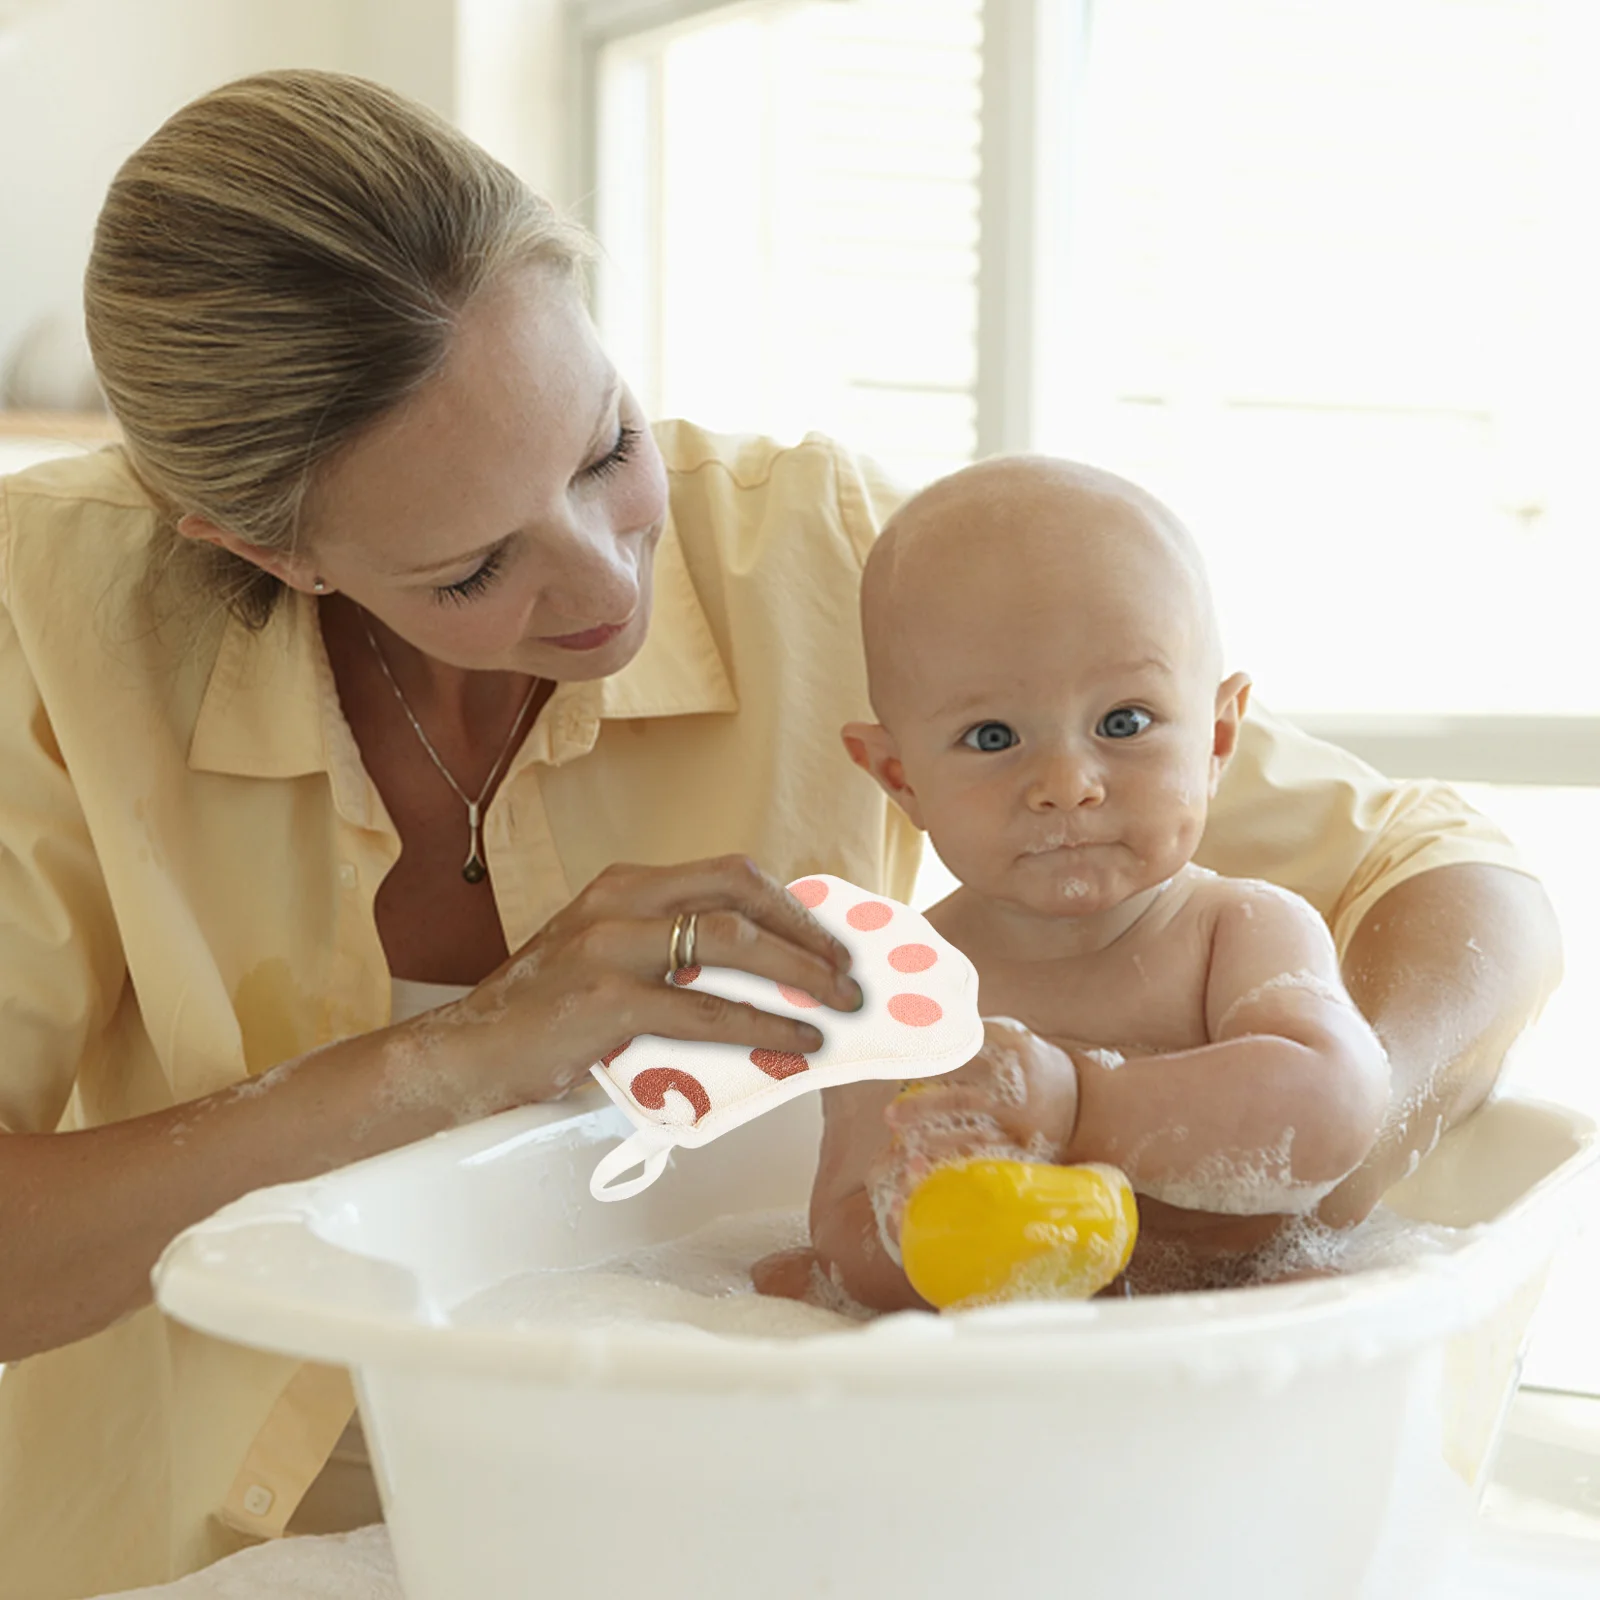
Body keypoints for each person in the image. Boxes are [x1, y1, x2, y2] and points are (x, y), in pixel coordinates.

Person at [0, 69, 1558, 1600]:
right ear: (261, 548)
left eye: (607, 445)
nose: (608, 579)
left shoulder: (831, 555)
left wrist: (1319, 1149)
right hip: (181, 1547)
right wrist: (456, 1056)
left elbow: (1446, 872)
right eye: (475, 569)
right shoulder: (52, 618)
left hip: (736, 1531)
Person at [792, 457, 1393, 1311]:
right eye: (992, 736)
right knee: (789, 1290)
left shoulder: (1238, 931)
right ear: (899, 777)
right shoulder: (897, 991)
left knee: (1327, 1296)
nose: (1067, 782)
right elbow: (845, 1230)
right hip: (1010, 1369)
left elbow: (1336, 1107)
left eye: (1124, 722)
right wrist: (927, 1220)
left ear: (1218, 739)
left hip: (1229, 1323)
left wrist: (1084, 1105)